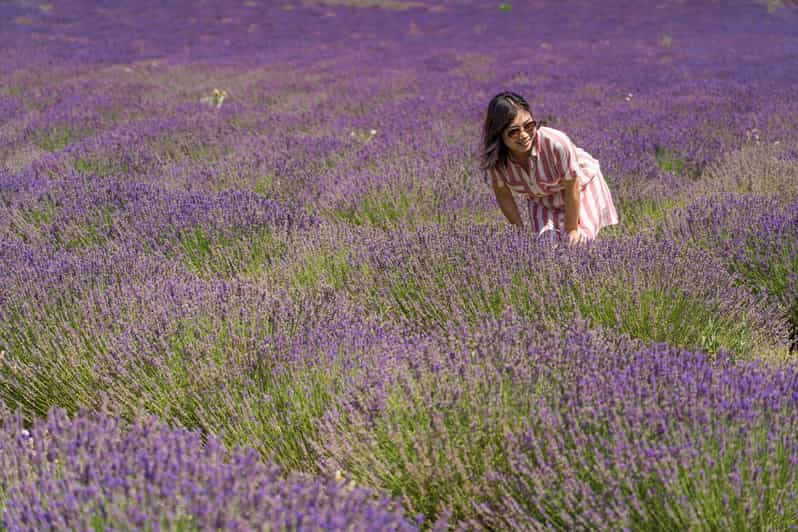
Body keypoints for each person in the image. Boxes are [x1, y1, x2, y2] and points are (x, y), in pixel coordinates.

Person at [480, 91, 618, 244]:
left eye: (529, 125)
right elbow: (503, 195)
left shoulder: (556, 144)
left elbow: (572, 186)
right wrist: (520, 233)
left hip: (581, 187)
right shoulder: (495, 161)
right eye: (514, 131)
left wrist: (571, 229)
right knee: (545, 245)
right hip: (541, 198)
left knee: (578, 242)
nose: (524, 135)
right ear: (498, 134)